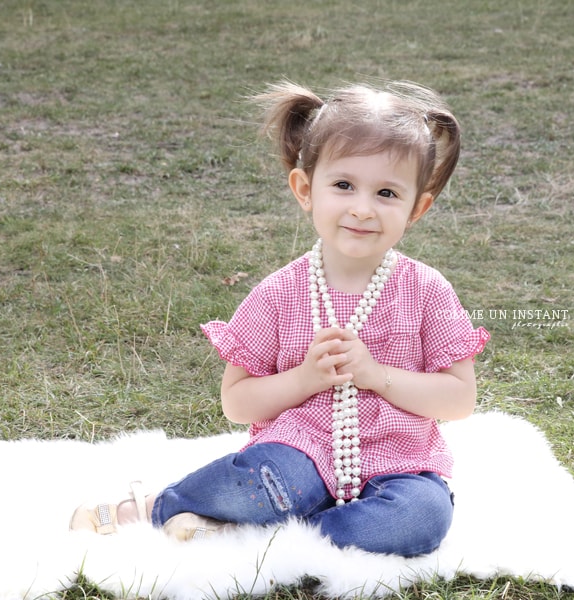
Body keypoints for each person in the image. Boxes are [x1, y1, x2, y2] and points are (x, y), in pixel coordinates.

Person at [70, 80, 490, 557]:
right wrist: (306, 379)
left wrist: (377, 376)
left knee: (420, 518)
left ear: (417, 208)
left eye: (387, 192)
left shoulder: (427, 291)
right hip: (297, 456)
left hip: (400, 463)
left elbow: (458, 398)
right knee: (263, 483)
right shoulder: (278, 294)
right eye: (344, 185)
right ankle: (157, 507)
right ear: (305, 189)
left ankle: (271, 538)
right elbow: (238, 403)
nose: (361, 208)